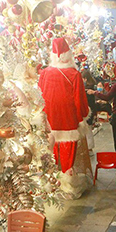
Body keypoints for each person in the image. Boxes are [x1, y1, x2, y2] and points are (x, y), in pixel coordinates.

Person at [38, 38, 90, 175]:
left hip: (49, 119)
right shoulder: (74, 74)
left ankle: (52, 179)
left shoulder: (44, 73)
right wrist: (83, 115)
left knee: (51, 148)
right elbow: (79, 99)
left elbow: (39, 96)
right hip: (68, 119)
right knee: (68, 147)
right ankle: (68, 180)